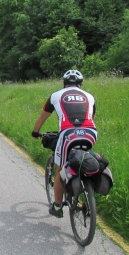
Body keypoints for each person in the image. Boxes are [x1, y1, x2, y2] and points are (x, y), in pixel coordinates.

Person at [31, 70, 97, 218]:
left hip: (68, 135)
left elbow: (42, 117)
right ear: (80, 84)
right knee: (81, 158)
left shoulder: (56, 95)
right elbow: (91, 117)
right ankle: (85, 189)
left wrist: (35, 132)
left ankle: (57, 206)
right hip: (91, 133)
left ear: (64, 82)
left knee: (60, 171)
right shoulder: (90, 96)